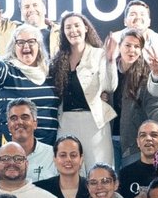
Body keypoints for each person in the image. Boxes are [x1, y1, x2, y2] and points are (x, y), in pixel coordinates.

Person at [48, 11, 117, 170]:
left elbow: (110, 87)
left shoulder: (99, 54)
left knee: (99, 170)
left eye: (77, 25)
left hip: (94, 123)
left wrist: (110, 60)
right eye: (68, 27)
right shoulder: (59, 59)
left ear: (86, 28)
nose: (73, 30)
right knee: (68, 170)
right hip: (66, 122)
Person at [0, 16, 60, 147]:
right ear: (14, 47)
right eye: (21, 42)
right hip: (13, 147)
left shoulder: (51, 73)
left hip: (47, 146)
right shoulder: (8, 71)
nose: (26, 46)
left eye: (31, 41)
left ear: (39, 46)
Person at [113, 32, 158, 166]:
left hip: (133, 144)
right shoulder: (108, 69)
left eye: (136, 46)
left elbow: (153, 104)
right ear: (119, 47)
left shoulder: (145, 74)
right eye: (128, 45)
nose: (132, 50)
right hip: (106, 140)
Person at [0, 98, 56, 182]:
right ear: (8, 126)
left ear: (35, 123)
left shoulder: (53, 155)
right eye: (14, 118)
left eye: (25, 117)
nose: (19, 122)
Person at [35, 134, 91, 198]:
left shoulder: (92, 188)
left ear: (81, 159)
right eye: (63, 155)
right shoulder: (40, 189)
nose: (68, 159)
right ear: (54, 159)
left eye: (73, 155)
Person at [118, 120, 158, 198]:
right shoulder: (125, 174)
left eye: (154, 135)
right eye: (143, 135)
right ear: (138, 142)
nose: (148, 139)